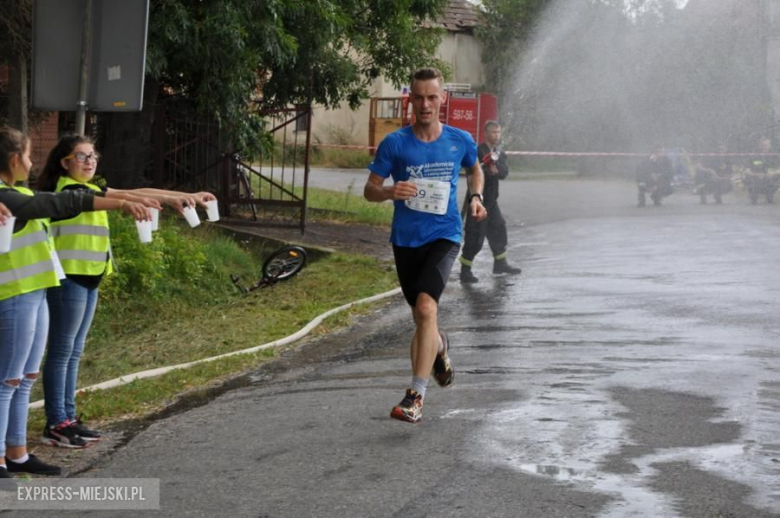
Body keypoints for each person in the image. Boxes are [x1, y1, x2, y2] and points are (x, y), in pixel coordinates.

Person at [35, 134, 216, 448]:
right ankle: (57, 423)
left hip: (89, 278)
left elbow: (133, 191)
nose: (90, 161)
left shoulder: (90, 187)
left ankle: (69, 418)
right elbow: (125, 198)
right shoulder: (68, 191)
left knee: (74, 353)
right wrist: (132, 203)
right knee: (62, 353)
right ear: (65, 163)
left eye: (93, 155)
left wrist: (182, 196)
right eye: (81, 156)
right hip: (68, 280)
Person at [0, 126, 149, 479]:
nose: (32, 161)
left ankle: (17, 453)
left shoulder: (17, 191)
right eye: (28, 155)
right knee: (7, 381)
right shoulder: (9, 198)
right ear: (12, 159)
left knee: (24, 378)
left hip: (36, 291)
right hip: (16, 294)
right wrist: (123, 204)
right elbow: (59, 202)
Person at [364, 68, 487, 424]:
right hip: (406, 240)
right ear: (410, 100)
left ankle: (415, 396)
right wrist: (390, 191)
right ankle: (440, 348)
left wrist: (476, 196)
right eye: (418, 97)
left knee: (426, 307)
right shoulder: (395, 143)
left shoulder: (459, 139)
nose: (425, 104)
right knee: (422, 317)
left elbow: (474, 169)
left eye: (432, 97)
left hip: (445, 235)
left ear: (442, 99)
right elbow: (369, 189)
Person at [458, 121, 522, 283]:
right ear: (485, 134)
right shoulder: (478, 151)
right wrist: (485, 169)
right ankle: (465, 271)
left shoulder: (499, 152)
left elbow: (504, 172)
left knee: (499, 229)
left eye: (498, 132)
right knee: (475, 236)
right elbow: (471, 171)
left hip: (492, 201)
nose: (496, 135)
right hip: (478, 200)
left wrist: (497, 170)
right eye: (493, 132)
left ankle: (500, 264)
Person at [743, 137, 779, 205]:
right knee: (747, 178)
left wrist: (773, 173)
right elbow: (746, 169)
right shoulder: (753, 155)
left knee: (777, 179)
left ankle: (770, 195)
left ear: (770, 145)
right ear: (759, 145)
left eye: (766, 145)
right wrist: (755, 174)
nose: (764, 147)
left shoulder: (775, 156)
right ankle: (754, 196)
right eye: (762, 145)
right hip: (756, 177)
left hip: (770, 177)